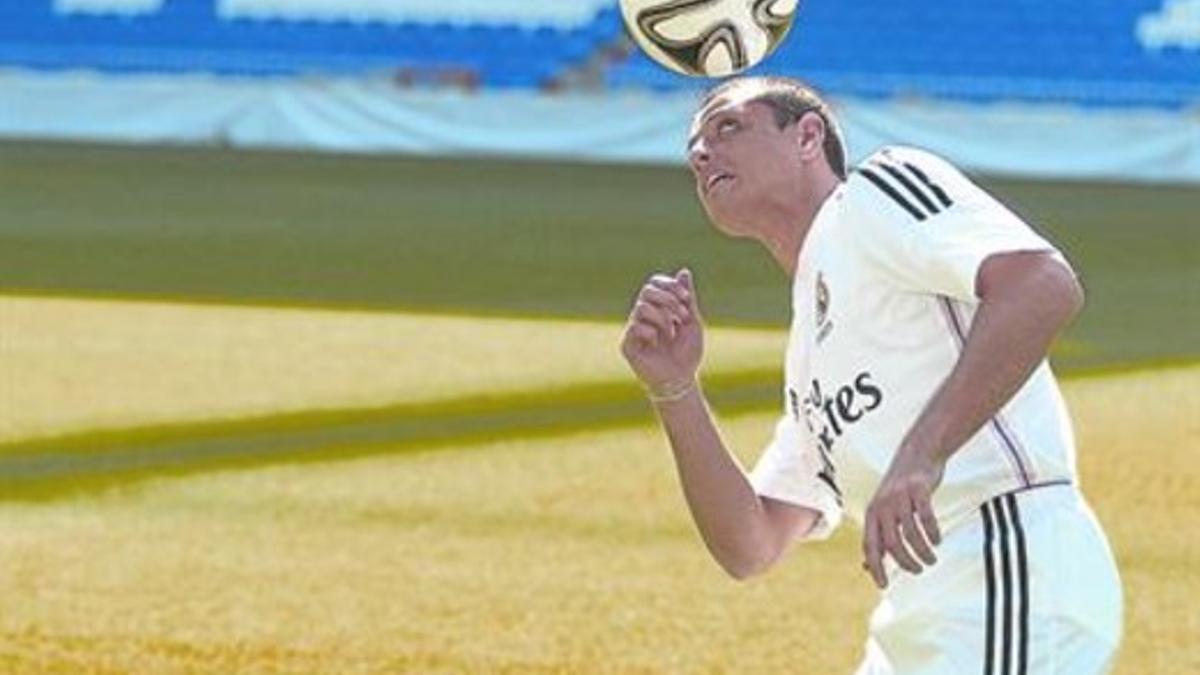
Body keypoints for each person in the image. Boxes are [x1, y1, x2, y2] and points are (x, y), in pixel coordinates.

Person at [619, 76, 1123, 674]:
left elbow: (1042, 283)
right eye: (694, 146)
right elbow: (749, 543)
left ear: (808, 135)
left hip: (1005, 565)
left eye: (728, 126)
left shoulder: (872, 194)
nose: (702, 151)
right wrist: (674, 388)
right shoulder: (808, 351)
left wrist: (919, 455)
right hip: (913, 619)